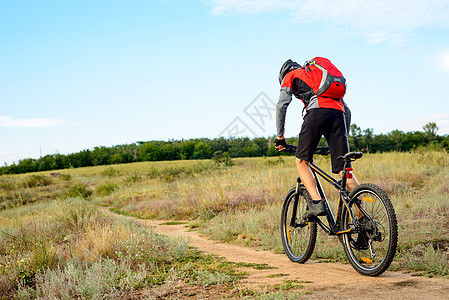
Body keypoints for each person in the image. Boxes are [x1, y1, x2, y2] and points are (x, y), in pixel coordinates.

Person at [274, 58, 360, 221]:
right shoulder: (319, 79)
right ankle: (364, 220)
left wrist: (280, 137)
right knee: (344, 170)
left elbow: (281, 105)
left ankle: (316, 202)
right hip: (338, 116)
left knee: (301, 161)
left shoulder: (290, 75)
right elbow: (347, 111)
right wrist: (340, 140)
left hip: (316, 113)